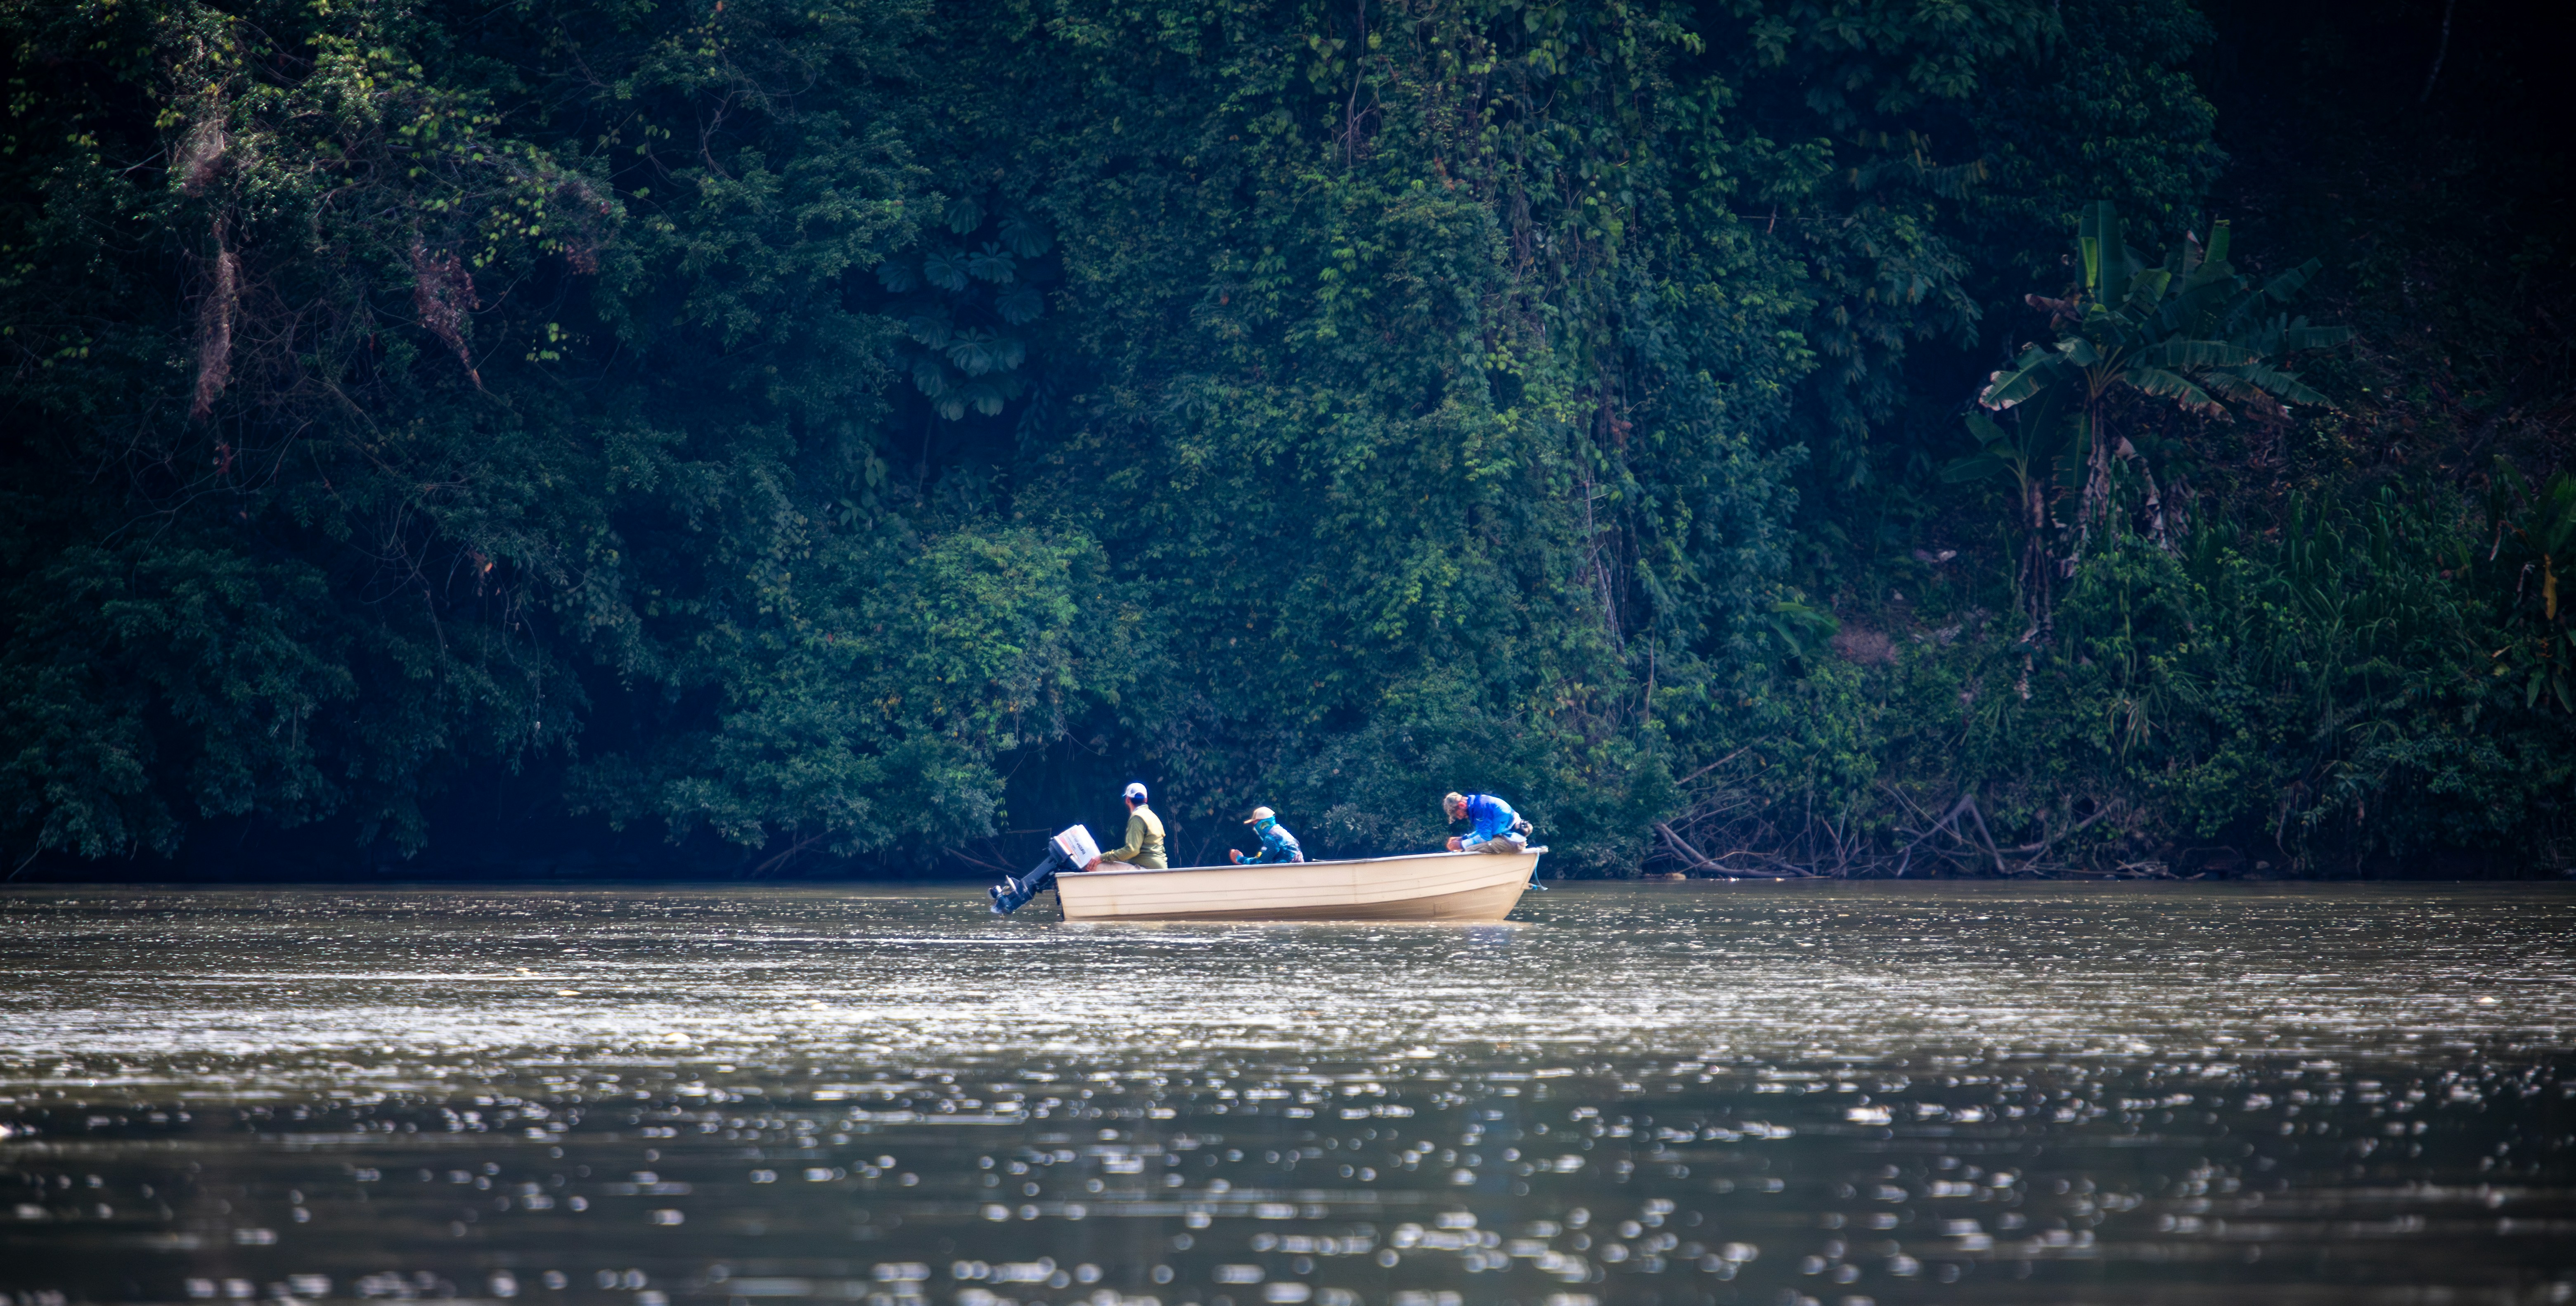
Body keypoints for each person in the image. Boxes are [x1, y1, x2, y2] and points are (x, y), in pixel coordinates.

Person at [1085, 781, 1167, 870]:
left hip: (1147, 870)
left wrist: (1102, 858)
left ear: (1127, 800)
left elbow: (1132, 850)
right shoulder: (1154, 817)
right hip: (1161, 868)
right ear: (1146, 800)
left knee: (1094, 866)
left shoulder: (1137, 817)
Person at [1443, 790, 1531, 854]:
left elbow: (1485, 837)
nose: (1460, 818)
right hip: (1512, 839)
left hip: (1512, 841)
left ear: (1462, 806)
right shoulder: (1480, 803)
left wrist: (1461, 845)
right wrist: (1463, 839)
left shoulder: (1481, 807)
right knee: (1469, 846)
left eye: (1457, 815)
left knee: (1469, 850)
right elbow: (1483, 832)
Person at [1229, 806, 1305, 865]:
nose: (1254, 828)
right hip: (1294, 873)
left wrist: (1240, 859)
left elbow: (1261, 862)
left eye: (1254, 824)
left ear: (1263, 823)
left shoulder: (1272, 838)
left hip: (1286, 875)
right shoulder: (1281, 832)